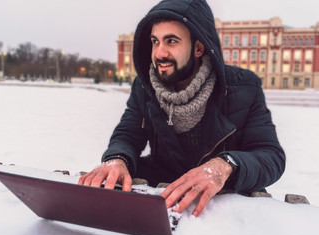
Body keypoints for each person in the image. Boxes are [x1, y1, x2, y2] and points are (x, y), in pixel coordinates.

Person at [79, 0, 285, 217]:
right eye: (155, 41)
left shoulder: (243, 87)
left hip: (225, 210)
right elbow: (127, 135)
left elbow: (271, 156)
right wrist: (117, 159)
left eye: (171, 41)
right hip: (163, 202)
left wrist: (225, 165)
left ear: (198, 47)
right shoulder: (144, 87)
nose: (159, 53)